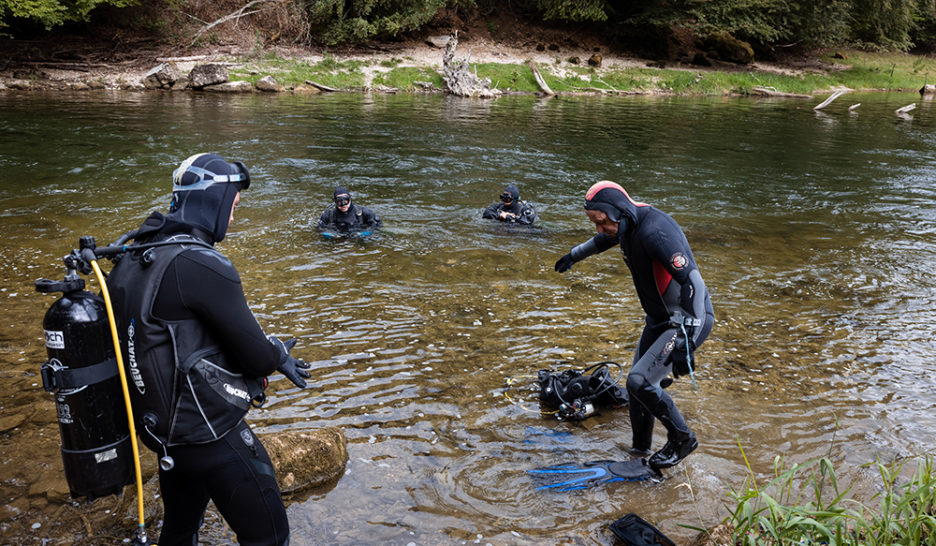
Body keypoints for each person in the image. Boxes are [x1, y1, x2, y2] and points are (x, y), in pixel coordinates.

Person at [106, 153, 310, 546]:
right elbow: (256, 356)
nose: (232, 219)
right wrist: (278, 354)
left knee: (181, 530)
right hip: (209, 436)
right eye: (233, 206)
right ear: (214, 200)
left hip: (161, 434)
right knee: (270, 536)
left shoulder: (134, 256)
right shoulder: (202, 264)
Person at [554, 180, 714, 470]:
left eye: (602, 222)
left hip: (688, 319)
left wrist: (686, 343)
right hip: (659, 321)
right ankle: (639, 451)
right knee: (637, 390)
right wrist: (574, 255)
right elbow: (602, 240)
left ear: (620, 212)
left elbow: (694, 284)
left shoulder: (656, 231)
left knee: (640, 381)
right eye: (595, 223)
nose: (600, 229)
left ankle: (682, 439)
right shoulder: (624, 224)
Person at [317, 186, 382, 233]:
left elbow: (377, 226)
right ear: (335, 202)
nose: (343, 204)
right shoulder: (328, 216)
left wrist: (365, 233)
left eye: (345, 201)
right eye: (339, 201)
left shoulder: (364, 213)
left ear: (350, 199)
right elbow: (320, 229)